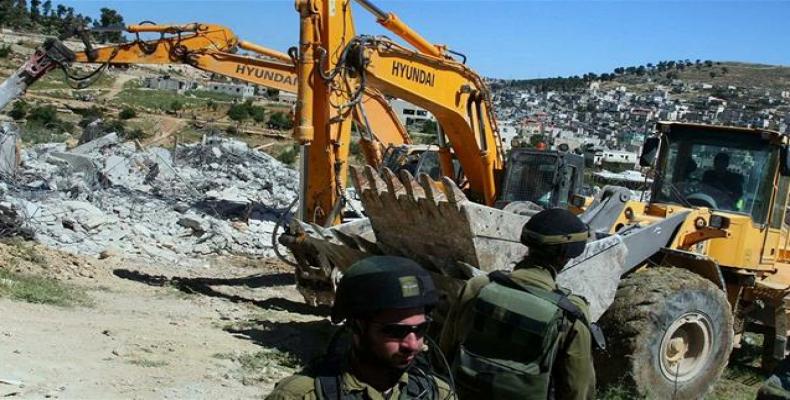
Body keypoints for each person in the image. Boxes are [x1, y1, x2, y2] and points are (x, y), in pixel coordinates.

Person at [440, 208, 597, 400]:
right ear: (565, 255)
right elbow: (577, 389)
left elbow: (444, 353)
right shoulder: (571, 313)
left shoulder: (478, 287)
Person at [267, 256, 453, 400]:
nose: (412, 344)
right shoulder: (301, 395)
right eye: (395, 331)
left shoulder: (437, 393)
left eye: (420, 329)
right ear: (357, 327)